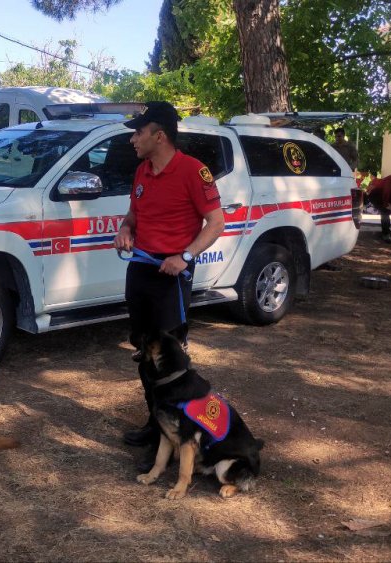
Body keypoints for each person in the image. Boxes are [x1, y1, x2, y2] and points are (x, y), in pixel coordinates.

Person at [111, 101, 225, 471]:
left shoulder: (194, 171)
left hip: (171, 276)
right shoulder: (142, 171)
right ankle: (154, 424)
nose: (133, 139)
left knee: (171, 359)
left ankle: (179, 437)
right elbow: (133, 215)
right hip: (141, 271)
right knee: (144, 352)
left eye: (139, 132)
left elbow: (215, 223)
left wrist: (186, 257)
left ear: (159, 136)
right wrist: (125, 230)